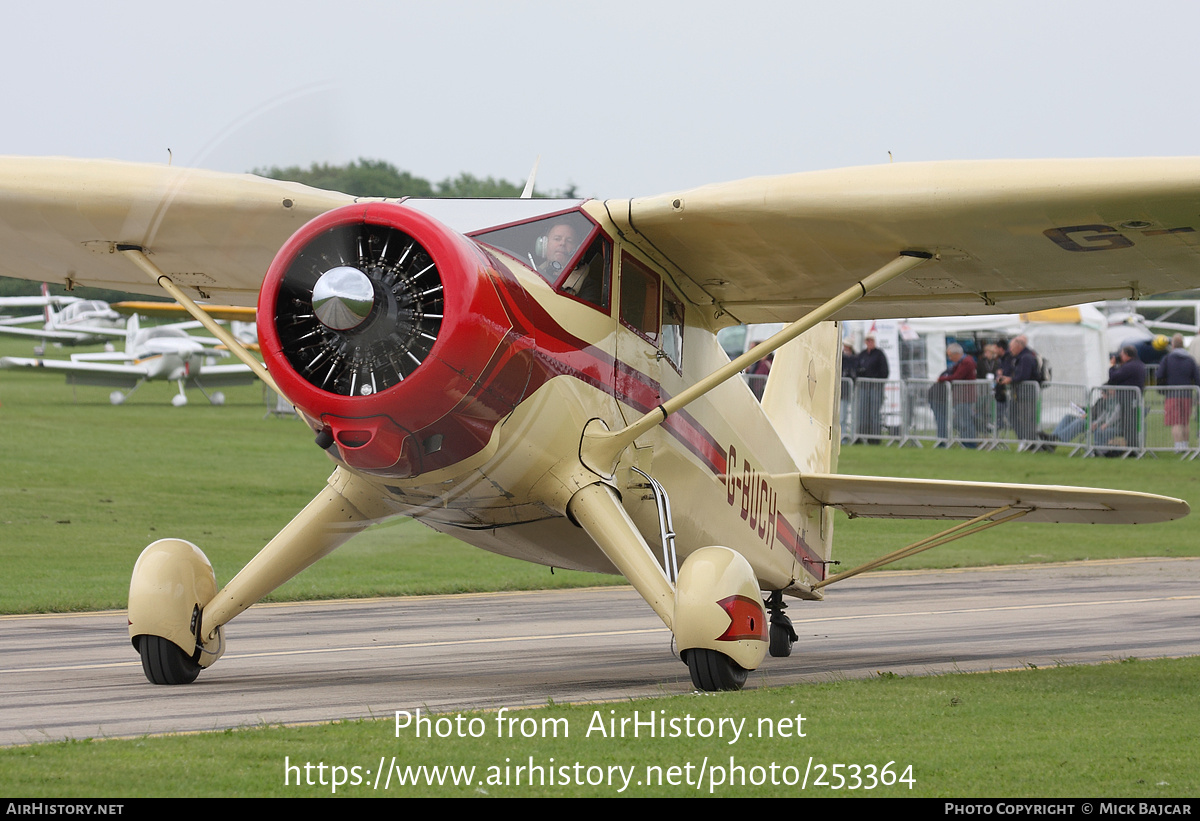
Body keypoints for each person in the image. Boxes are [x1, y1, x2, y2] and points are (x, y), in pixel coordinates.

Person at [1155, 334, 1200, 453]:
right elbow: (1197, 377)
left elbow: (1159, 375)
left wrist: (1162, 389)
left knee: (1176, 421)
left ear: (1173, 345)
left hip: (1172, 394)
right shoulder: (1190, 359)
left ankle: (1178, 446)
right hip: (1187, 394)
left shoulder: (1168, 358)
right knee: (1185, 421)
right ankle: (1185, 445)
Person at [930, 343, 977, 447]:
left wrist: (940, 379)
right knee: (963, 420)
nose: (950, 358)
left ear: (956, 354)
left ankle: (970, 443)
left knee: (965, 421)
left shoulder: (966, 362)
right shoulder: (963, 362)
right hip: (961, 397)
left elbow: (956, 377)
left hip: (964, 397)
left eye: (950, 356)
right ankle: (967, 442)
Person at [998, 335, 1039, 447]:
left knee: (1027, 418)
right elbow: (1010, 370)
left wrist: (1010, 380)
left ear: (1018, 346)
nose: (1010, 350)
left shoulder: (1027, 357)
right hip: (1017, 393)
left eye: (1011, 347)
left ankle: (1031, 443)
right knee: (1011, 414)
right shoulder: (1016, 357)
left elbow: (1023, 375)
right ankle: (1023, 439)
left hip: (1027, 393)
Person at [855, 333, 888, 441]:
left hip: (875, 387)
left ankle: (875, 438)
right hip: (863, 387)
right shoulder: (862, 354)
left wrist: (876, 380)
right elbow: (857, 369)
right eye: (867, 341)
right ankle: (861, 436)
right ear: (865, 342)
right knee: (863, 412)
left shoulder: (879, 354)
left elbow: (884, 371)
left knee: (874, 412)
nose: (869, 342)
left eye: (871, 341)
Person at [840, 341, 857, 443]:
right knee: (841, 417)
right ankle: (842, 437)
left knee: (843, 417)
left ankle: (844, 437)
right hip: (842, 391)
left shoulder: (852, 358)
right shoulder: (842, 357)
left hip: (846, 391)